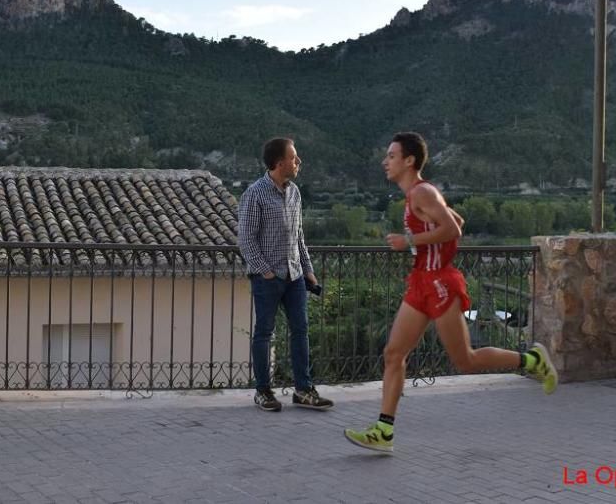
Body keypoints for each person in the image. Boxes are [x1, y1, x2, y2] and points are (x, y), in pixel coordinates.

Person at [343, 132, 557, 453]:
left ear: (409, 160)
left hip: (440, 283)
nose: (384, 162)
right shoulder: (419, 195)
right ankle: (383, 430)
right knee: (394, 353)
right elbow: (456, 219)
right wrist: (427, 232)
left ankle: (532, 359)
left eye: (391, 156)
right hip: (421, 282)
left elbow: (454, 229)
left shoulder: (422, 192)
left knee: (465, 360)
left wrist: (410, 242)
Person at [238, 137, 333, 412]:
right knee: (264, 333)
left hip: (294, 277)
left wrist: (309, 271)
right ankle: (263, 391)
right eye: (294, 157)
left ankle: (303, 390)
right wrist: (265, 271)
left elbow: (298, 237)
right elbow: (245, 238)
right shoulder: (255, 193)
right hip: (268, 278)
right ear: (280, 163)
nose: (298, 161)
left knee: (300, 331)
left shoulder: (294, 193)